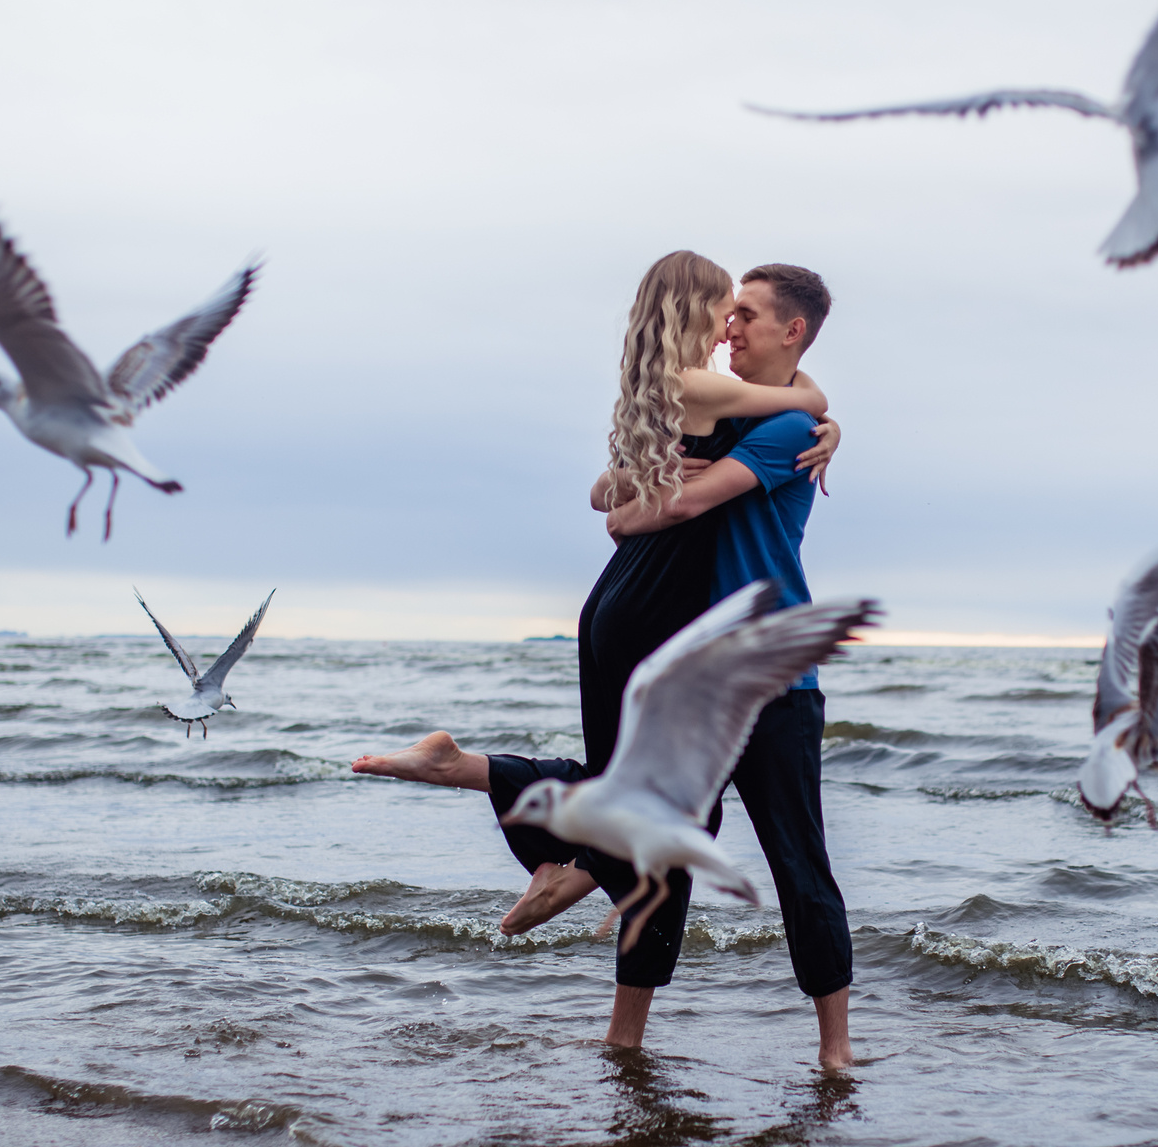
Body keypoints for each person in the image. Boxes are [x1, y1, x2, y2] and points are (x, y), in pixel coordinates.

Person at [353, 252, 852, 1065]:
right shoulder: (747, 413)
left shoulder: (792, 426)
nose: (729, 328)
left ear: (792, 331)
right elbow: (618, 484)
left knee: (798, 862)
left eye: (746, 316)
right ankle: (621, 1026)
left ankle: (834, 1050)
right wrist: (625, 493)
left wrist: (631, 509)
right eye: (726, 313)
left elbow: (679, 497)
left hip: (770, 677)